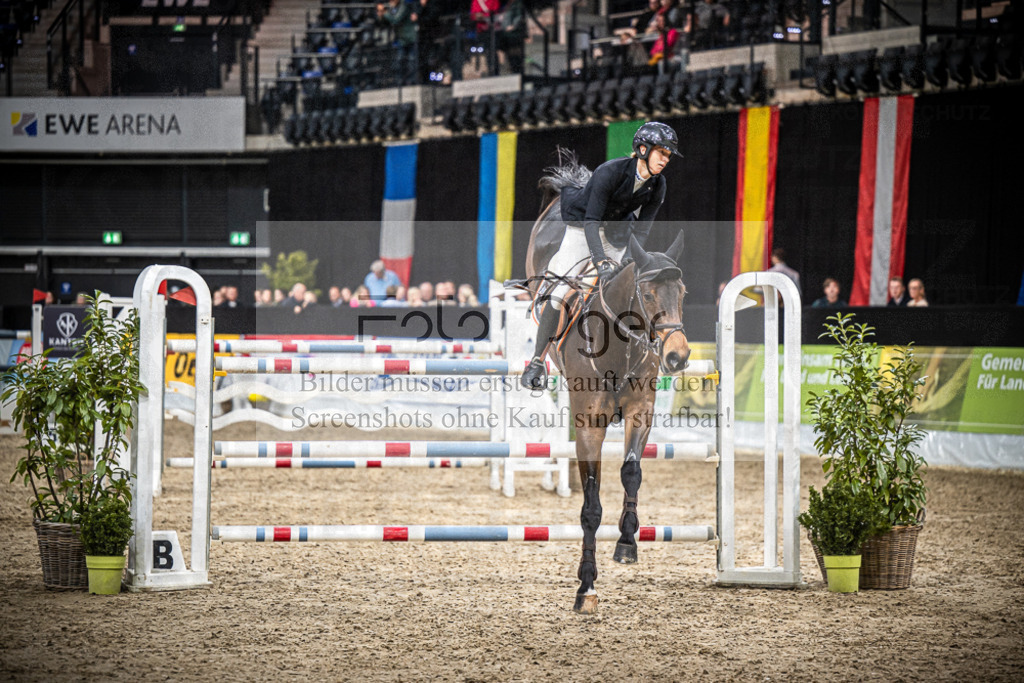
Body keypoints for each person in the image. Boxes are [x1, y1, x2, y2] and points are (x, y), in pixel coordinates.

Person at [520, 121, 678, 390]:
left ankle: (622, 367)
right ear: (643, 149)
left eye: (668, 155)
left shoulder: (658, 184)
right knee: (560, 292)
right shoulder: (610, 172)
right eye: (661, 152)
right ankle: (537, 361)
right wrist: (599, 261)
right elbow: (592, 221)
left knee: (623, 292)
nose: (665, 160)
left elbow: (641, 231)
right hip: (583, 230)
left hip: (617, 236)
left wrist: (628, 259)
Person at [377, 0, 418, 86]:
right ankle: (400, 81)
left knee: (411, 60)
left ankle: (411, 81)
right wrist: (381, 14)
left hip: (410, 37)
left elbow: (396, 20)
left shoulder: (404, 6)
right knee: (400, 60)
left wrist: (385, 13)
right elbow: (386, 23)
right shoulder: (392, 9)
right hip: (401, 39)